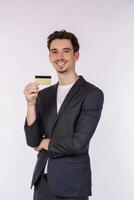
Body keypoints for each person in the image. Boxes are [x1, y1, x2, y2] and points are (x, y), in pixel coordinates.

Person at [24, 30, 104, 200]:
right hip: (42, 183)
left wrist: (46, 142)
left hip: (72, 186)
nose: (59, 56)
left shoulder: (92, 94)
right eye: (54, 51)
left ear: (76, 55)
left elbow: (78, 144)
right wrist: (30, 105)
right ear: (49, 56)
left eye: (66, 51)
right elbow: (32, 141)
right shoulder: (44, 95)